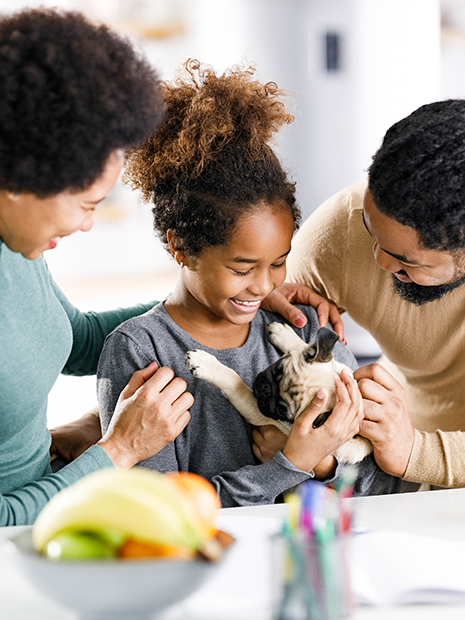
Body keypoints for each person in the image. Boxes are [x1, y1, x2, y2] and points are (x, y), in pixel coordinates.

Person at [0, 9, 344, 524]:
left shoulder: (18, 246)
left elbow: (68, 337)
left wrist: (233, 297)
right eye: (88, 203)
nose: (89, 226)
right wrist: (115, 451)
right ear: (17, 181)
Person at [97, 61, 417, 507]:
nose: (262, 286)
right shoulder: (142, 350)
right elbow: (157, 511)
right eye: (243, 268)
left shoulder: (304, 329)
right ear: (182, 247)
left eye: (279, 263)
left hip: (309, 556)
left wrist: (322, 465)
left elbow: (380, 486)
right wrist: (288, 466)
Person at [284, 99, 465, 488]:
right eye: (371, 228)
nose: (379, 261)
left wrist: (413, 451)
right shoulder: (342, 228)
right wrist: (260, 298)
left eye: (404, 259)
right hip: (388, 462)